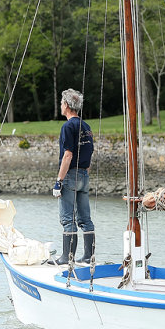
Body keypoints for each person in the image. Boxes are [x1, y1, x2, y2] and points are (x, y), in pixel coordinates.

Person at [49, 88, 95, 266]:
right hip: (84, 174)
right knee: (85, 219)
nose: (61, 106)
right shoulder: (86, 126)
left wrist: (59, 182)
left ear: (66, 105)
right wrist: (84, 175)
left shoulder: (68, 126)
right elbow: (90, 151)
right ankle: (89, 257)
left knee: (68, 219)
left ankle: (66, 258)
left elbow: (68, 155)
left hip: (71, 175)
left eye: (62, 103)